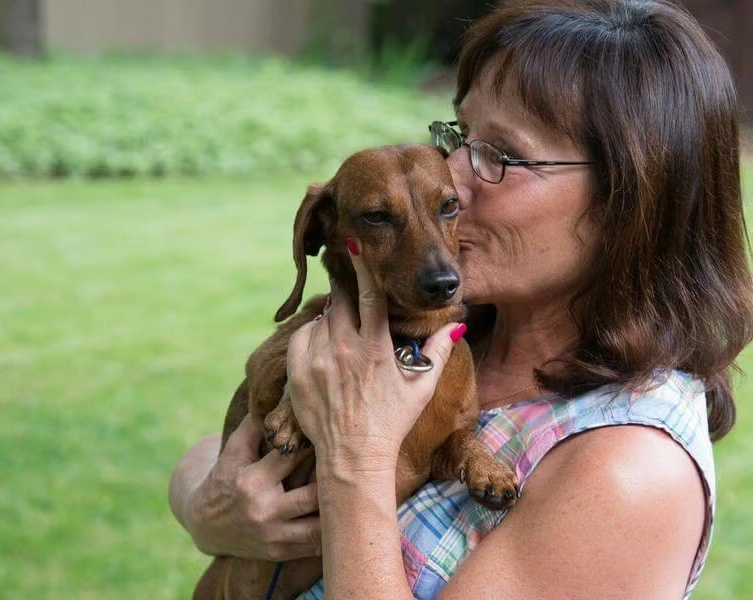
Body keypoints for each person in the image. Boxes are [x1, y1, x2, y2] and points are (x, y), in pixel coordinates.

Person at [169, 0, 753, 597]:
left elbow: (350, 456)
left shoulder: (628, 472)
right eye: (460, 135)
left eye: (501, 155)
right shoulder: (446, 322)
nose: (449, 176)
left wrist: (355, 464)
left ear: (628, 203)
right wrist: (209, 511)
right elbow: (217, 453)